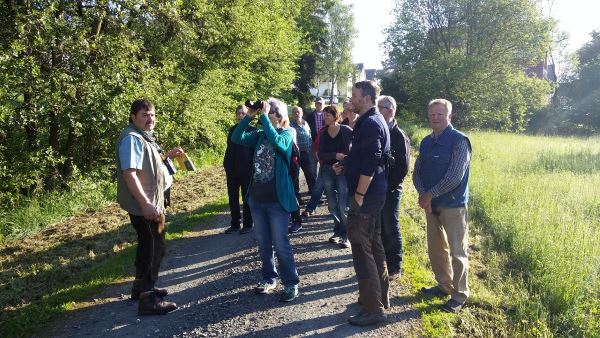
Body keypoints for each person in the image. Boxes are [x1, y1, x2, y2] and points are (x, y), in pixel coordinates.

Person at [231, 98, 300, 302]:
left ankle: (291, 283)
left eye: (269, 114)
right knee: (263, 244)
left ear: (279, 117)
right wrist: (250, 116)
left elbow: (279, 143)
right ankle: (269, 278)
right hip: (257, 199)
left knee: (281, 244)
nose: (265, 118)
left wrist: (264, 117)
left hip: (277, 201)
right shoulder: (260, 135)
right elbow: (237, 137)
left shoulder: (288, 133)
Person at [116, 99, 181, 315]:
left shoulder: (142, 137)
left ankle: (140, 288)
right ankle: (148, 299)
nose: (150, 119)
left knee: (146, 246)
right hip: (146, 205)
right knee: (156, 248)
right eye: (145, 115)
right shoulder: (132, 139)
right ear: (133, 117)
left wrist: (167, 157)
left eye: (152, 114)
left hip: (150, 202)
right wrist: (145, 204)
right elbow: (130, 174)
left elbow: (147, 166)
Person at [334, 81, 390, 326]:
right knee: (374, 245)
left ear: (366, 98)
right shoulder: (372, 121)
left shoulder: (370, 123)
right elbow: (365, 156)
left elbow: (372, 160)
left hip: (366, 197)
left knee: (361, 251)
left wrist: (358, 195)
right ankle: (380, 298)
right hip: (373, 195)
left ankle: (373, 309)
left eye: (355, 96)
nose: (351, 99)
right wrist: (346, 163)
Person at [413, 98, 472, 314]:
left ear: (449, 116)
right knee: (436, 249)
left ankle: (460, 294)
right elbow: (417, 170)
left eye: (439, 114)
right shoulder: (427, 141)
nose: (435, 118)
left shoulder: (459, 141)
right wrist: (422, 193)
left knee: (458, 252)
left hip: (453, 205)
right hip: (431, 205)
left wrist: (430, 194)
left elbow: (455, 175)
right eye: (432, 115)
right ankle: (443, 286)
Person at [377, 96, 410, 280]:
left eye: (379, 107)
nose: (377, 111)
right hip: (378, 189)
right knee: (380, 226)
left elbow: (403, 167)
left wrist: (387, 186)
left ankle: (395, 267)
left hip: (390, 189)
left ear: (390, 111)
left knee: (391, 226)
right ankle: (383, 263)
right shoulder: (380, 131)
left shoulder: (398, 135)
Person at [318, 105, 353, 249]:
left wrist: (341, 162)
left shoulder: (346, 131)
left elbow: (354, 150)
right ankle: (337, 231)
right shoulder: (324, 133)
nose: (325, 118)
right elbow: (321, 154)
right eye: (324, 115)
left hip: (343, 169)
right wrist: (334, 156)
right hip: (327, 169)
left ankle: (346, 236)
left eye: (328, 115)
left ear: (335, 116)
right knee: (332, 204)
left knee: (343, 205)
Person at [223, 105, 255, 234]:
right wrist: (226, 164)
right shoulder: (232, 130)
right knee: (232, 197)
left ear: (248, 115)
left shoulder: (253, 130)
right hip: (232, 170)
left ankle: (248, 224)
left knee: (246, 198)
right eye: (238, 113)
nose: (240, 115)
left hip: (247, 171)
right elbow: (229, 149)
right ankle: (235, 223)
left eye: (243, 113)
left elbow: (254, 151)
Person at [290, 106, 317, 203]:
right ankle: (297, 198)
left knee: (311, 174)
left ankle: (315, 196)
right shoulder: (290, 125)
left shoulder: (306, 124)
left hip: (307, 153)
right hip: (295, 155)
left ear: (302, 113)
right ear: (292, 114)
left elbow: (309, 137)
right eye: (295, 112)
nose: (297, 114)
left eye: (298, 112)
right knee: (295, 176)